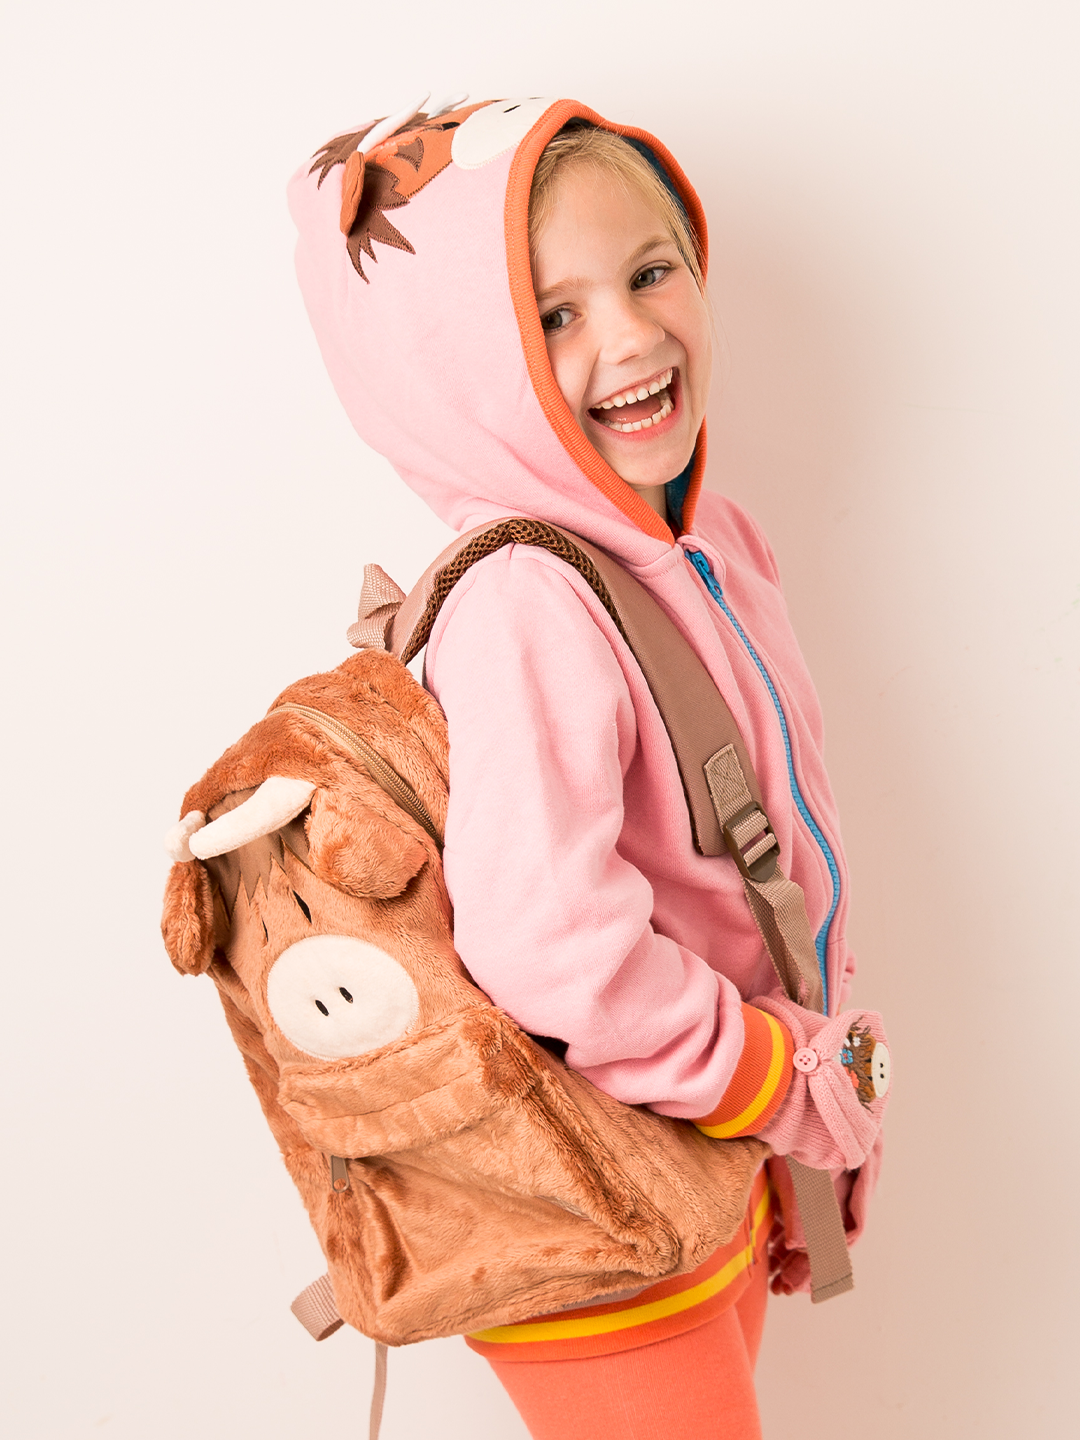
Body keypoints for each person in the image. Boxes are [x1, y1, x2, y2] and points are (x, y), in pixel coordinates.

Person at [289, 96, 887, 1440]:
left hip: (704, 1154)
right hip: (602, 1215)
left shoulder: (710, 543)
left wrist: (801, 1116)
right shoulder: (527, 603)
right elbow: (554, 947)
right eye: (552, 315)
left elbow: (767, 863)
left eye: (651, 271)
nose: (628, 336)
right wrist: (776, 1080)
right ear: (456, 374)